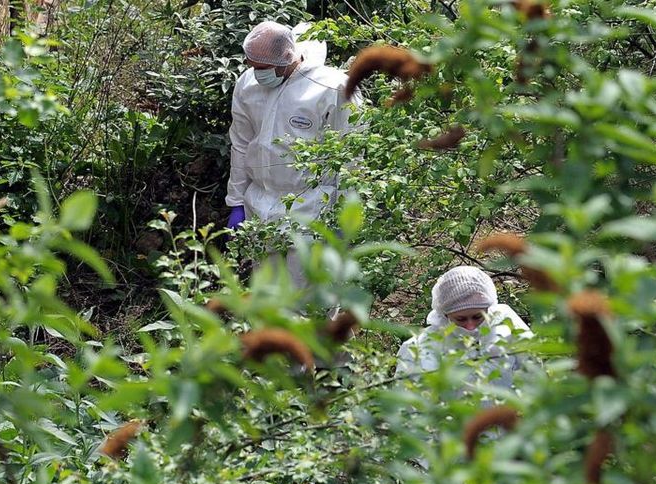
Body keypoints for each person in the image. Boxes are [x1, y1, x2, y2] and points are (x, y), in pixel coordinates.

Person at [225, 20, 362, 286]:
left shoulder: (333, 89)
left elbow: (351, 158)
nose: (255, 73)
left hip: (311, 210)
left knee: (308, 301)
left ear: (286, 59)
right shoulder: (248, 84)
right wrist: (236, 202)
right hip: (259, 206)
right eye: (251, 65)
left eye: (262, 68)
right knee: (266, 296)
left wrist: (345, 219)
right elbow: (241, 144)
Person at [396, 266, 533, 387]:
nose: (470, 326)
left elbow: (534, 375)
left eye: (478, 317)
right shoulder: (420, 348)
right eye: (460, 319)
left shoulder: (507, 328)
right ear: (445, 315)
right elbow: (406, 403)